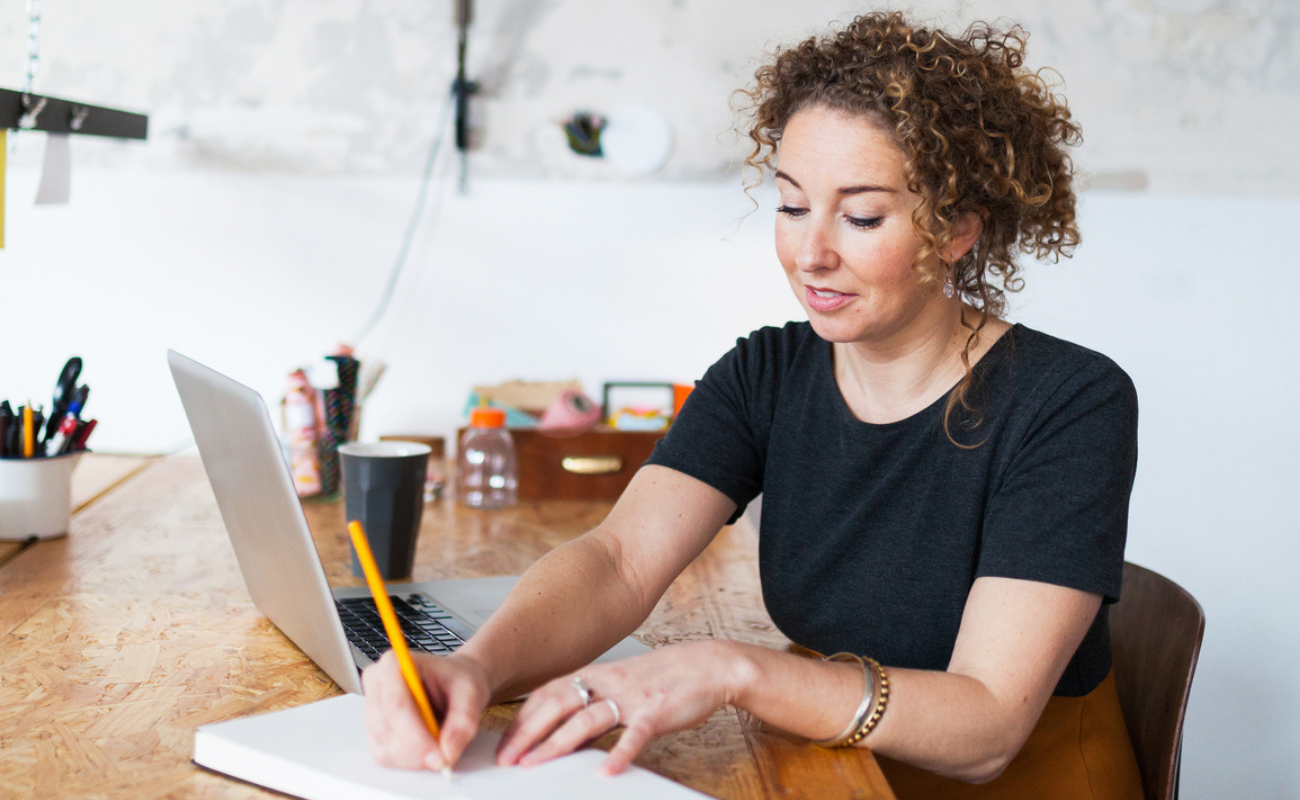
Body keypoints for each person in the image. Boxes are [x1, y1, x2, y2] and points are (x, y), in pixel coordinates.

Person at [362, 11, 1145, 799]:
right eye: (792, 205)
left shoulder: (1070, 403)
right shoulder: (766, 372)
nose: (812, 254)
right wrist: (474, 666)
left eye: (862, 216)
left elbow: (986, 728)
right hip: (833, 767)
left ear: (957, 230)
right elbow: (619, 561)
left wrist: (730, 670)